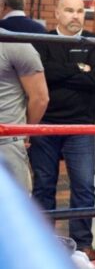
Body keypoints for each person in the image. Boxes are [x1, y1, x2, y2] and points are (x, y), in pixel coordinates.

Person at [30, 0, 95, 258]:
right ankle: (41, 241)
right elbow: (43, 73)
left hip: (81, 127)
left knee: (85, 186)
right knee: (43, 185)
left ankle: (82, 244)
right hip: (46, 125)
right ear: (57, 13)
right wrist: (78, 67)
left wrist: (61, 72)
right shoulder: (42, 41)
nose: (75, 15)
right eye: (69, 10)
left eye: (80, 11)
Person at [0, 31, 49, 189]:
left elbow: (40, 98)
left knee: (12, 208)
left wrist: (24, 130)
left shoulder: (14, 44)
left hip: (6, 142)